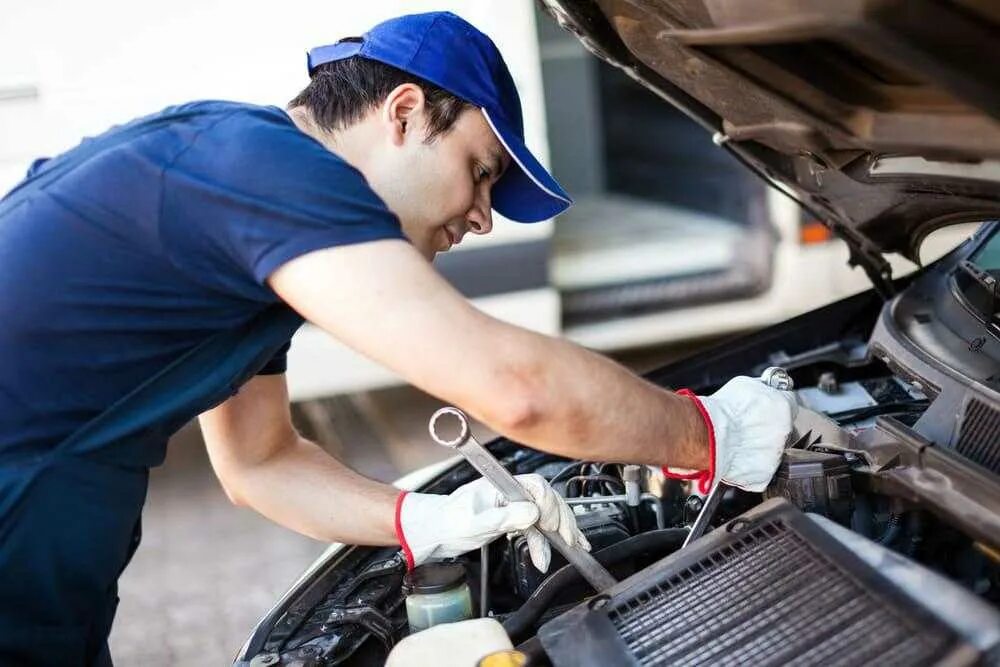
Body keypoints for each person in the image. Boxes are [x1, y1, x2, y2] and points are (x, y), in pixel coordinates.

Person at [0, 11, 795, 665]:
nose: (482, 215)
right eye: (480, 171)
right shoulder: (271, 170)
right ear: (405, 112)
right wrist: (710, 433)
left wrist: (425, 517)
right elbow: (515, 388)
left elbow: (259, 461)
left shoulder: (245, 204)